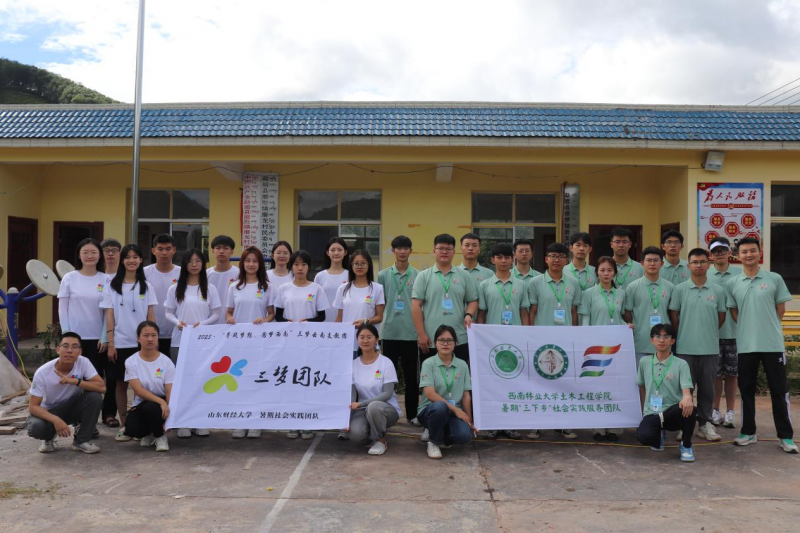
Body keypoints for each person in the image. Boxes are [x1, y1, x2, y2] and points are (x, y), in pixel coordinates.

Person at [728, 237, 797, 453]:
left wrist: (766, 328)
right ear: (737, 256)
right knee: (746, 390)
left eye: (752, 250)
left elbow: (780, 310)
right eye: (744, 251)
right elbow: (734, 312)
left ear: (760, 252)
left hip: (772, 345)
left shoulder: (774, 278)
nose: (748, 255)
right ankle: (748, 432)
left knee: (779, 390)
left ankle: (785, 436)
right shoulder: (733, 283)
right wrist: (749, 328)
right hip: (746, 345)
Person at [668, 248, 726, 442]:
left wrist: (707, 332)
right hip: (685, 348)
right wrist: (684, 333)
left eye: (702, 262)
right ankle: (684, 425)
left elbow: (721, 317)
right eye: (694, 262)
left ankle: (705, 424)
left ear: (708, 264)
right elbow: (674, 315)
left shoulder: (718, 290)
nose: (698, 265)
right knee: (685, 390)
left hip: (709, 348)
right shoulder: (679, 289)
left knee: (707, 389)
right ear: (689, 265)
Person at [57, 237, 115, 431]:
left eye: (94, 252)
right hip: (76, 340)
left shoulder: (105, 279)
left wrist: (105, 336)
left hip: (97, 340)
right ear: (79, 255)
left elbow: (108, 311)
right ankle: (81, 421)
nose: (90, 256)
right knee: (75, 380)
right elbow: (62, 309)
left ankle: (99, 418)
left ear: (99, 256)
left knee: (95, 380)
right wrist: (67, 336)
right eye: (85, 252)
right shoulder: (69, 278)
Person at [101, 244, 157, 442]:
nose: (131, 260)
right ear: (122, 260)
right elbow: (109, 316)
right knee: (121, 384)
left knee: (144, 385)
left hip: (142, 344)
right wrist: (111, 343)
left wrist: (153, 341)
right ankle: (125, 426)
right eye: (127, 257)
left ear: (141, 260)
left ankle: (143, 424)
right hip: (120, 343)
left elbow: (151, 315)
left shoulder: (146, 286)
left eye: (135, 257)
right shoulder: (111, 286)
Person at [165, 248, 222, 439]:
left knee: (201, 380)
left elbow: (216, 314)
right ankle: (183, 421)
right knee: (181, 381)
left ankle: (199, 421)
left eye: (198, 261)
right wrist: (178, 323)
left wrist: (202, 325)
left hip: (203, 342)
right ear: (184, 264)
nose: (194, 265)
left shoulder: (210, 288)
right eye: (190, 261)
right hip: (179, 341)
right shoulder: (175, 288)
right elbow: (168, 313)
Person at [528, 242, 582, 440]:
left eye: (560, 256)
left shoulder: (573, 283)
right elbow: (532, 311)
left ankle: (563, 424)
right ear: (546, 259)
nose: (556, 260)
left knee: (563, 384)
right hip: (541, 341)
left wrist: (574, 336)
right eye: (553, 256)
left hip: (565, 341)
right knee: (539, 383)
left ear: (566, 260)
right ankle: (536, 424)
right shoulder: (535, 282)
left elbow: (574, 311)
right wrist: (531, 337)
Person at [274, 250, 330, 440]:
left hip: (310, 344)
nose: (300, 268)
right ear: (291, 267)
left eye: (303, 264)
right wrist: (288, 323)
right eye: (296, 264)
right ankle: (292, 422)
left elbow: (322, 316)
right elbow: (278, 316)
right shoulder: (283, 289)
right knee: (291, 382)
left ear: (309, 267)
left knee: (308, 382)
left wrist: (308, 323)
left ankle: (308, 423)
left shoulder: (316, 289)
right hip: (288, 344)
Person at [477, 243, 529, 440]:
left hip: (515, 342)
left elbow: (524, 312)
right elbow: (481, 314)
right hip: (492, 343)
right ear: (493, 260)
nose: (503, 261)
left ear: (512, 259)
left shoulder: (521, 285)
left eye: (507, 257)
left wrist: (526, 336)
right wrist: (480, 338)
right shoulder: (484, 285)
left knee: (513, 384)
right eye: (499, 257)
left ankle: (510, 425)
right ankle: (493, 424)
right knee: (493, 385)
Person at [578, 256, 632, 442]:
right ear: (597, 273)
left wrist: (627, 326)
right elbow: (585, 318)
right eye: (602, 270)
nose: (606, 273)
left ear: (615, 273)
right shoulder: (589, 293)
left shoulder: (621, 294)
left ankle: (614, 428)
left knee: (614, 386)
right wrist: (585, 340)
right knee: (596, 386)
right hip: (596, 348)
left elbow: (620, 317)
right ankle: (598, 428)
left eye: (609, 270)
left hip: (616, 347)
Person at [27, 331, 106, 454]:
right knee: (36, 427)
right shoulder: (43, 372)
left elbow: (102, 387)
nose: (69, 351)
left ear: (80, 351)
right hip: (49, 411)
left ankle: (81, 441)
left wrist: (75, 381)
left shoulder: (83, 362)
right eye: (65, 346)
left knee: (94, 397)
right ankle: (48, 438)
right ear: (58, 349)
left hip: (71, 407)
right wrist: (55, 420)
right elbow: (33, 407)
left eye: (75, 347)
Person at [226, 246, 274, 440]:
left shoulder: (267, 286)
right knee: (240, 381)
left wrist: (264, 320)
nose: (251, 264)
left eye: (255, 261)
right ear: (242, 263)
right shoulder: (234, 287)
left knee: (257, 380)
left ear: (260, 264)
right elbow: (228, 312)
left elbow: (272, 314)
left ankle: (256, 422)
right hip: (239, 343)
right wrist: (229, 318)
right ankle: (240, 420)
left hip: (260, 342)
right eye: (248, 261)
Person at [412, 234, 478, 367]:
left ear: (454, 252)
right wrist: (421, 334)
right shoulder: (423, 276)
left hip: (459, 338)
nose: (444, 252)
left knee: (459, 374)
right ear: (434, 251)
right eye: (440, 248)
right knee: (431, 375)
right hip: (431, 339)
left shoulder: (464, 275)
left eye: (448, 249)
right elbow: (415, 305)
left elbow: (472, 300)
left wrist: (468, 314)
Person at [635, 324, 697, 462]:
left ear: (672, 341)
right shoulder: (644, 362)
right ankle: (659, 434)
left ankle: (686, 445)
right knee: (644, 437)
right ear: (652, 340)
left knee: (690, 409)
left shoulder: (681, 364)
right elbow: (642, 387)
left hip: (672, 412)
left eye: (666, 337)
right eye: (657, 336)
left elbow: (686, 391)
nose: (662, 340)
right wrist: (645, 412)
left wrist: (687, 397)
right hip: (652, 412)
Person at [377, 235, 421, 425]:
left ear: (411, 250)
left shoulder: (418, 275)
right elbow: (381, 304)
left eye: (406, 248)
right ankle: (388, 414)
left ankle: (412, 415)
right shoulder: (383, 275)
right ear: (393, 251)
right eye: (399, 248)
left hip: (411, 334)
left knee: (412, 379)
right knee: (388, 379)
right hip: (389, 333)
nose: (402, 252)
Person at [417, 325, 475, 459]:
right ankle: (433, 442)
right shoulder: (428, 363)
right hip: (431, 411)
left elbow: (466, 395)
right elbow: (430, 395)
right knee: (440, 407)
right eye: (441, 340)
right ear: (435, 343)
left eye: (449, 340)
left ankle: (438, 432)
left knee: (464, 436)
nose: (445, 344)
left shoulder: (462, 365)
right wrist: (456, 410)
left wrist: (468, 419)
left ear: (455, 343)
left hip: (453, 413)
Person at [347, 324, 401, 455]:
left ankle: (381, 440)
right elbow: (352, 396)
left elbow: (387, 393)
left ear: (376, 339)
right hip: (363, 409)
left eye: (369, 337)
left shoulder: (385, 362)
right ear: (357, 340)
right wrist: (345, 419)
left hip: (386, 409)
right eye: (362, 337)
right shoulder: (353, 365)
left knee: (374, 406)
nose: (365, 340)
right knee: (355, 434)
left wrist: (363, 404)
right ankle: (372, 434)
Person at [123, 321, 175, 452]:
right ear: (138, 338)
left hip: (162, 402)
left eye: (154, 335)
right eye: (146, 335)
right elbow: (138, 390)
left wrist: (169, 415)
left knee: (152, 408)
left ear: (158, 337)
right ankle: (149, 433)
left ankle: (160, 436)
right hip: (143, 403)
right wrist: (161, 402)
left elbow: (170, 391)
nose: (150, 339)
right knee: (132, 429)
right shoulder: (131, 361)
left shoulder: (166, 362)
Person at [708, 237, 741, 428]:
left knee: (731, 374)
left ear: (730, 252)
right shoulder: (705, 273)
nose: (719, 254)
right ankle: (714, 410)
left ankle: (730, 411)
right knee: (714, 374)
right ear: (711, 255)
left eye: (723, 250)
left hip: (734, 333)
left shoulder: (739, 273)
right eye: (715, 251)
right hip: (711, 334)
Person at [623, 246, 675, 368]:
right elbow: (627, 312)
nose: (652, 263)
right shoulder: (632, 287)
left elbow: (673, 313)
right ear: (642, 263)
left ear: (662, 263)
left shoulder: (670, 287)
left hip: (664, 342)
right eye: (649, 260)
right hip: (640, 342)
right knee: (641, 377)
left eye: (656, 260)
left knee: (662, 376)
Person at [334, 249, 385, 356]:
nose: (359, 266)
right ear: (351, 266)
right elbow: (339, 319)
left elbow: (379, 317)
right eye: (356, 263)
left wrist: (365, 321)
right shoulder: (343, 288)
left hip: (368, 343)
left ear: (369, 265)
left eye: (363, 263)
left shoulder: (377, 288)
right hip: (346, 342)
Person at [144, 234, 181, 356]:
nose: (164, 253)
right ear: (153, 251)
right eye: (160, 249)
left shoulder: (182, 274)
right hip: (151, 334)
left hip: (177, 332)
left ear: (174, 250)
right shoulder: (144, 273)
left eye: (168, 249)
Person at [313, 237, 350, 322]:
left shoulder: (350, 275)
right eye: (332, 250)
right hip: (324, 321)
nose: (336, 253)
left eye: (340, 250)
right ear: (327, 252)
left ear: (345, 252)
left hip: (345, 321)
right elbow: (315, 301)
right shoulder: (320, 276)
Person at [206, 235, 240, 325]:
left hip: (232, 323)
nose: (221, 251)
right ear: (213, 251)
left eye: (226, 248)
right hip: (209, 323)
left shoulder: (239, 274)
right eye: (218, 248)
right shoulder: (206, 275)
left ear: (232, 252)